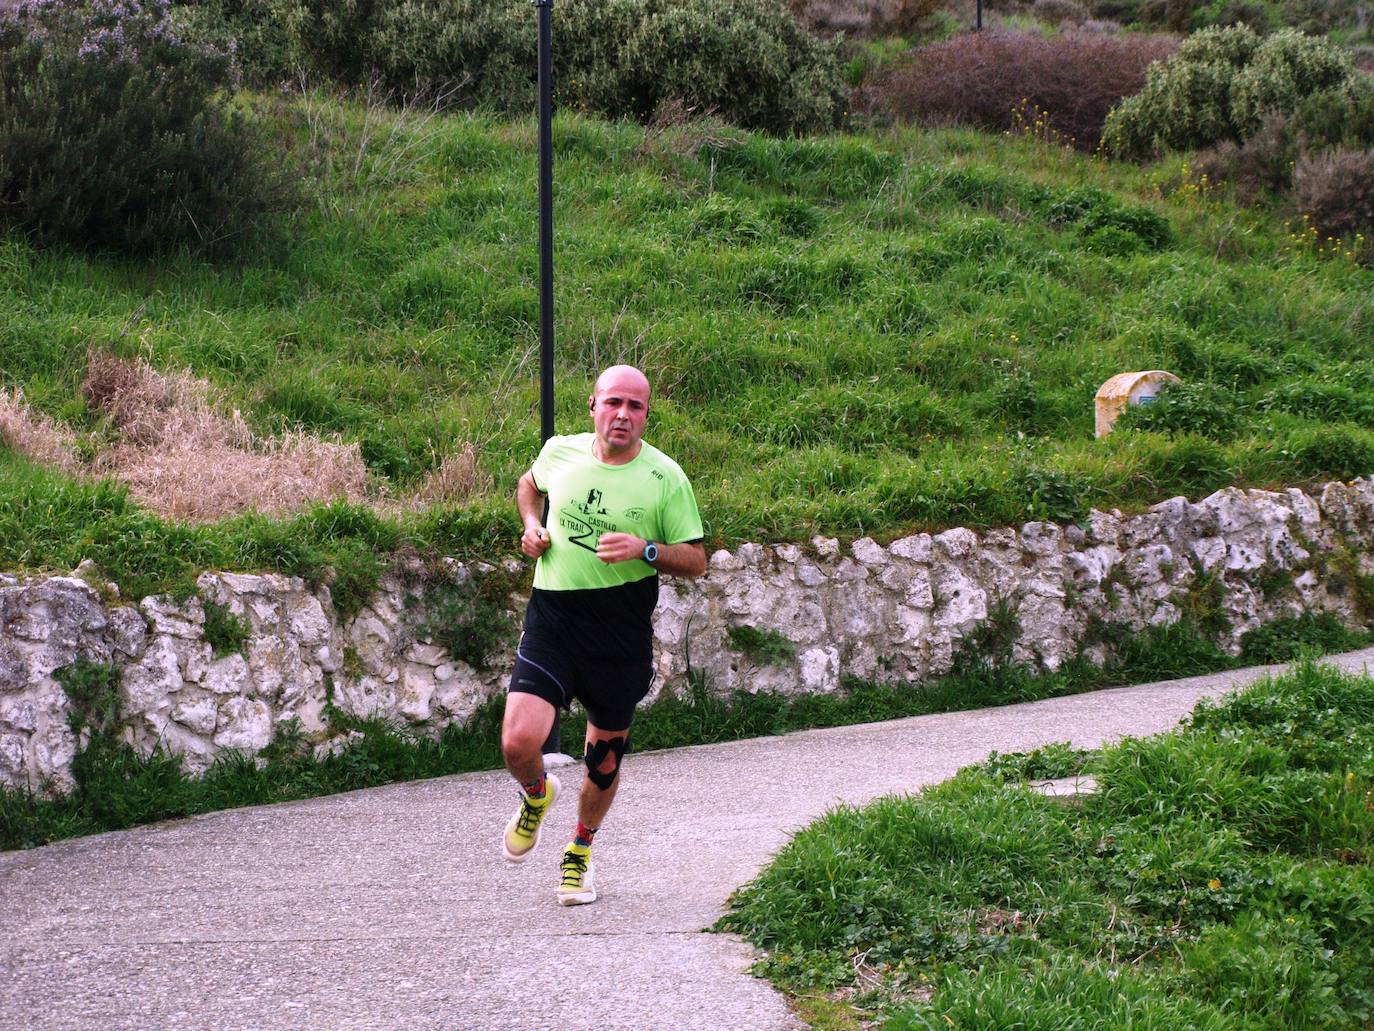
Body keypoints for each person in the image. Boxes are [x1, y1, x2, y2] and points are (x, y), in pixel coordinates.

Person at [499, 364, 707, 905]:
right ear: (592, 406)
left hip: (619, 632)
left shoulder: (666, 478)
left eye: (635, 407)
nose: (623, 415)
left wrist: (647, 550)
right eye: (613, 402)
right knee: (518, 742)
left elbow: (697, 560)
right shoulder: (560, 452)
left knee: (603, 760)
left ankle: (580, 852)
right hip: (555, 620)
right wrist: (531, 525)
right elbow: (529, 485)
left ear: (646, 416)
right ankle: (537, 795)